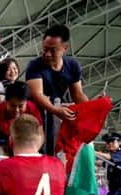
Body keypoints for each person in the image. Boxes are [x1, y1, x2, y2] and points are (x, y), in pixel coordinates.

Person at [25, 24, 88, 155]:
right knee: (37, 147)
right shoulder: (35, 66)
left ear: (65, 48)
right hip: (36, 114)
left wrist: (91, 107)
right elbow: (37, 94)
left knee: (56, 149)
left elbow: (77, 94)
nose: (47, 54)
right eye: (45, 49)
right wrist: (55, 110)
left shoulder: (72, 66)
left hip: (55, 112)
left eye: (52, 50)